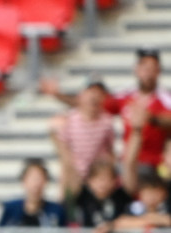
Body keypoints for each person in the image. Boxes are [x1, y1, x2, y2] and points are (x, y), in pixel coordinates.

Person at [42, 48, 171, 172]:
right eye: (144, 68)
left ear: (158, 71)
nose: (148, 73)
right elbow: (91, 103)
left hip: (157, 164)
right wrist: (58, 95)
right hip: (128, 164)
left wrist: (152, 119)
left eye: (152, 68)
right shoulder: (125, 97)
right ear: (136, 69)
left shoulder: (165, 98)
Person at [49, 79, 115, 198]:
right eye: (91, 92)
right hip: (75, 175)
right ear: (82, 95)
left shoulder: (107, 122)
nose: (94, 96)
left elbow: (109, 150)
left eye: (99, 93)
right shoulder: (70, 119)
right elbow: (64, 151)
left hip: (96, 178)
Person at [0, 158, 68, 233]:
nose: (36, 184)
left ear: (45, 182)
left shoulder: (56, 211)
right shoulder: (11, 209)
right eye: (32, 178)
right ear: (24, 181)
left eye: (40, 178)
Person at [70, 159, 130, 230]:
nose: (102, 183)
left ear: (115, 181)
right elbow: (70, 173)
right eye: (98, 179)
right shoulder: (83, 195)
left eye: (106, 179)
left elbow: (130, 164)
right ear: (89, 181)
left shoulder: (120, 196)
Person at [111, 166, 171, 233]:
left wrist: (159, 219)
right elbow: (119, 223)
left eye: (155, 192)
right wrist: (149, 220)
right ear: (140, 194)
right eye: (148, 193)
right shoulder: (135, 207)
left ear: (164, 193)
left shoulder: (168, 206)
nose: (151, 197)